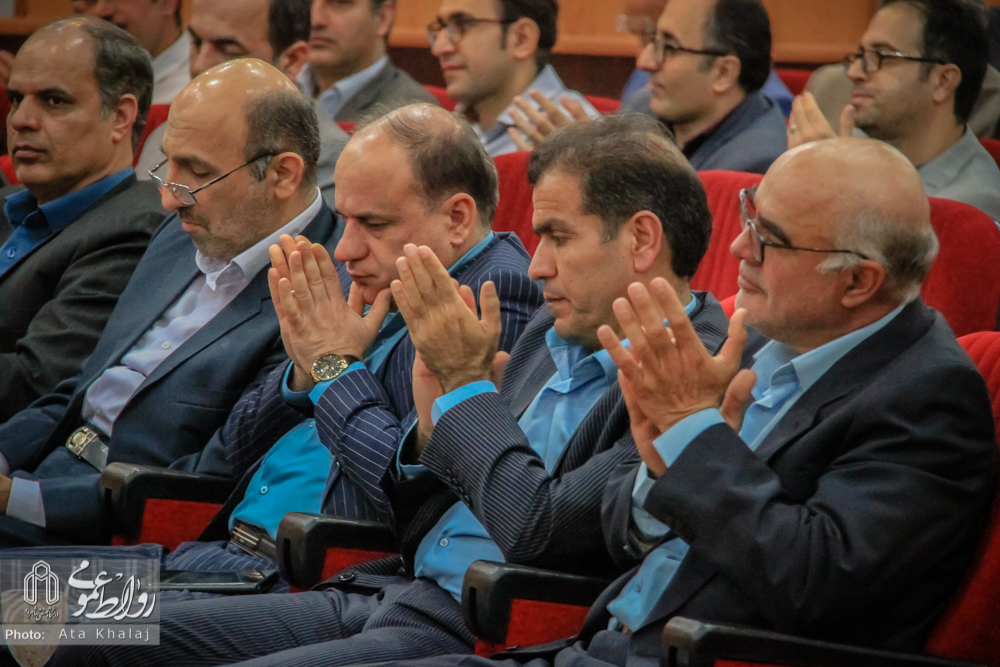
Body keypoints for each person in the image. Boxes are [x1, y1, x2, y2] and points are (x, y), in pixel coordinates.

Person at [55, 115, 733, 667]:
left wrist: (398, 383)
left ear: (641, 239)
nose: (539, 263)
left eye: (558, 236)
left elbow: (534, 529)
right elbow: (229, 460)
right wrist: (382, 408)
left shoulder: (663, 363)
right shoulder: (548, 330)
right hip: (359, 582)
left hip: (448, 612)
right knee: (43, 619)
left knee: (68, 628)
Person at [361, 137, 998, 667]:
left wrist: (690, 437)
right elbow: (621, 528)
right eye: (748, 218)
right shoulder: (755, 344)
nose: (738, 248)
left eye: (768, 238)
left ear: (857, 281)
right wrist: (659, 467)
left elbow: (812, 581)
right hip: (529, 625)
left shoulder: (927, 396)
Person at [0, 58, 343, 548]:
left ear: (283, 174)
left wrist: (17, 498)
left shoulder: (323, 296)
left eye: (196, 172)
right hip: (42, 479)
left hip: (125, 540)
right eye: (168, 164)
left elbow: (207, 484)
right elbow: (87, 385)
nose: (168, 198)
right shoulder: (179, 235)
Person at [0, 18, 165, 420]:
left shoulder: (133, 228)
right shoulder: (7, 202)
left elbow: (33, 383)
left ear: (121, 116)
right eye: (16, 99)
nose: (21, 119)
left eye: (54, 101)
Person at [789, 0, 1000, 220]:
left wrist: (830, 190)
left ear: (943, 81)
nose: (854, 72)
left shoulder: (970, 209)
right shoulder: (852, 145)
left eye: (883, 56)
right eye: (861, 55)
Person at [136, 0, 350, 210]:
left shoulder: (328, 159)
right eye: (197, 42)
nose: (199, 65)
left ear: (291, 60)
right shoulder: (168, 132)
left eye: (228, 49)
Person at [430, 0, 600, 157]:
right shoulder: (450, 128)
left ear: (521, 39)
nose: (439, 48)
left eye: (462, 24)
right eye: (441, 28)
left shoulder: (578, 136)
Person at [616, 0, 793, 118]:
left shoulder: (753, 159)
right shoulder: (641, 105)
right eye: (654, 40)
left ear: (723, 72)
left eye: (669, 46)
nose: (643, 62)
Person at [298, 0, 438, 122]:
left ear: (383, 17)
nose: (314, 21)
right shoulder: (287, 85)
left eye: (339, 2)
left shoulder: (411, 114)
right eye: (307, 3)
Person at [82, 0, 191, 104]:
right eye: (93, 0)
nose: (101, 11)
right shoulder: (90, 80)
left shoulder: (193, 90)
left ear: (167, 2)